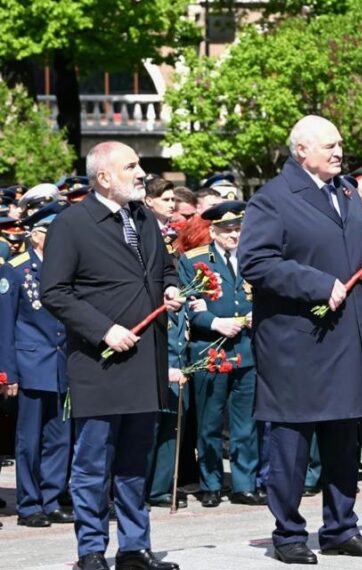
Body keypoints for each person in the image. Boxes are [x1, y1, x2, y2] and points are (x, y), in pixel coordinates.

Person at [238, 115, 362, 563]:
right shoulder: (274, 198)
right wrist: (317, 284)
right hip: (299, 343)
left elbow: (353, 249)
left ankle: (342, 527)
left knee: (345, 441)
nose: (339, 152)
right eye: (329, 146)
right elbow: (257, 262)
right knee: (292, 446)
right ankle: (288, 534)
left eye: (340, 144)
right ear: (301, 150)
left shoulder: (344, 192)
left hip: (346, 338)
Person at [41, 141, 184, 570]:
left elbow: (163, 269)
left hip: (145, 362)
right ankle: (90, 552)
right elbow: (55, 292)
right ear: (104, 177)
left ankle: (135, 548)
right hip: (99, 363)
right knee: (92, 465)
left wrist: (172, 288)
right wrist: (103, 328)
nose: (141, 173)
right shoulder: (73, 223)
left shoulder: (143, 217)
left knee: (134, 462)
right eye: (132, 166)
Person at [179, 200, 264, 507]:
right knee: (210, 423)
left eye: (238, 228)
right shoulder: (194, 260)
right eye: (227, 229)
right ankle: (211, 483)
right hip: (211, 350)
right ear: (213, 231)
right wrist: (215, 322)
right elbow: (188, 308)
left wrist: (260, 313)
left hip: (247, 350)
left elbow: (268, 292)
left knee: (245, 424)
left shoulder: (253, 257)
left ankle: (243, 484)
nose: (234, 235)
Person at [0, 202, 75, 528]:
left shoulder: (67, 267)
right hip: (29, 365)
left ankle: (52, 498)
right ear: (38, 235)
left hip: (61, 364)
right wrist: (8, 373)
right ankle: (30, 505)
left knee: (59, 439)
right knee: (28, 441)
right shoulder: (15, 269)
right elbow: (4, 325)